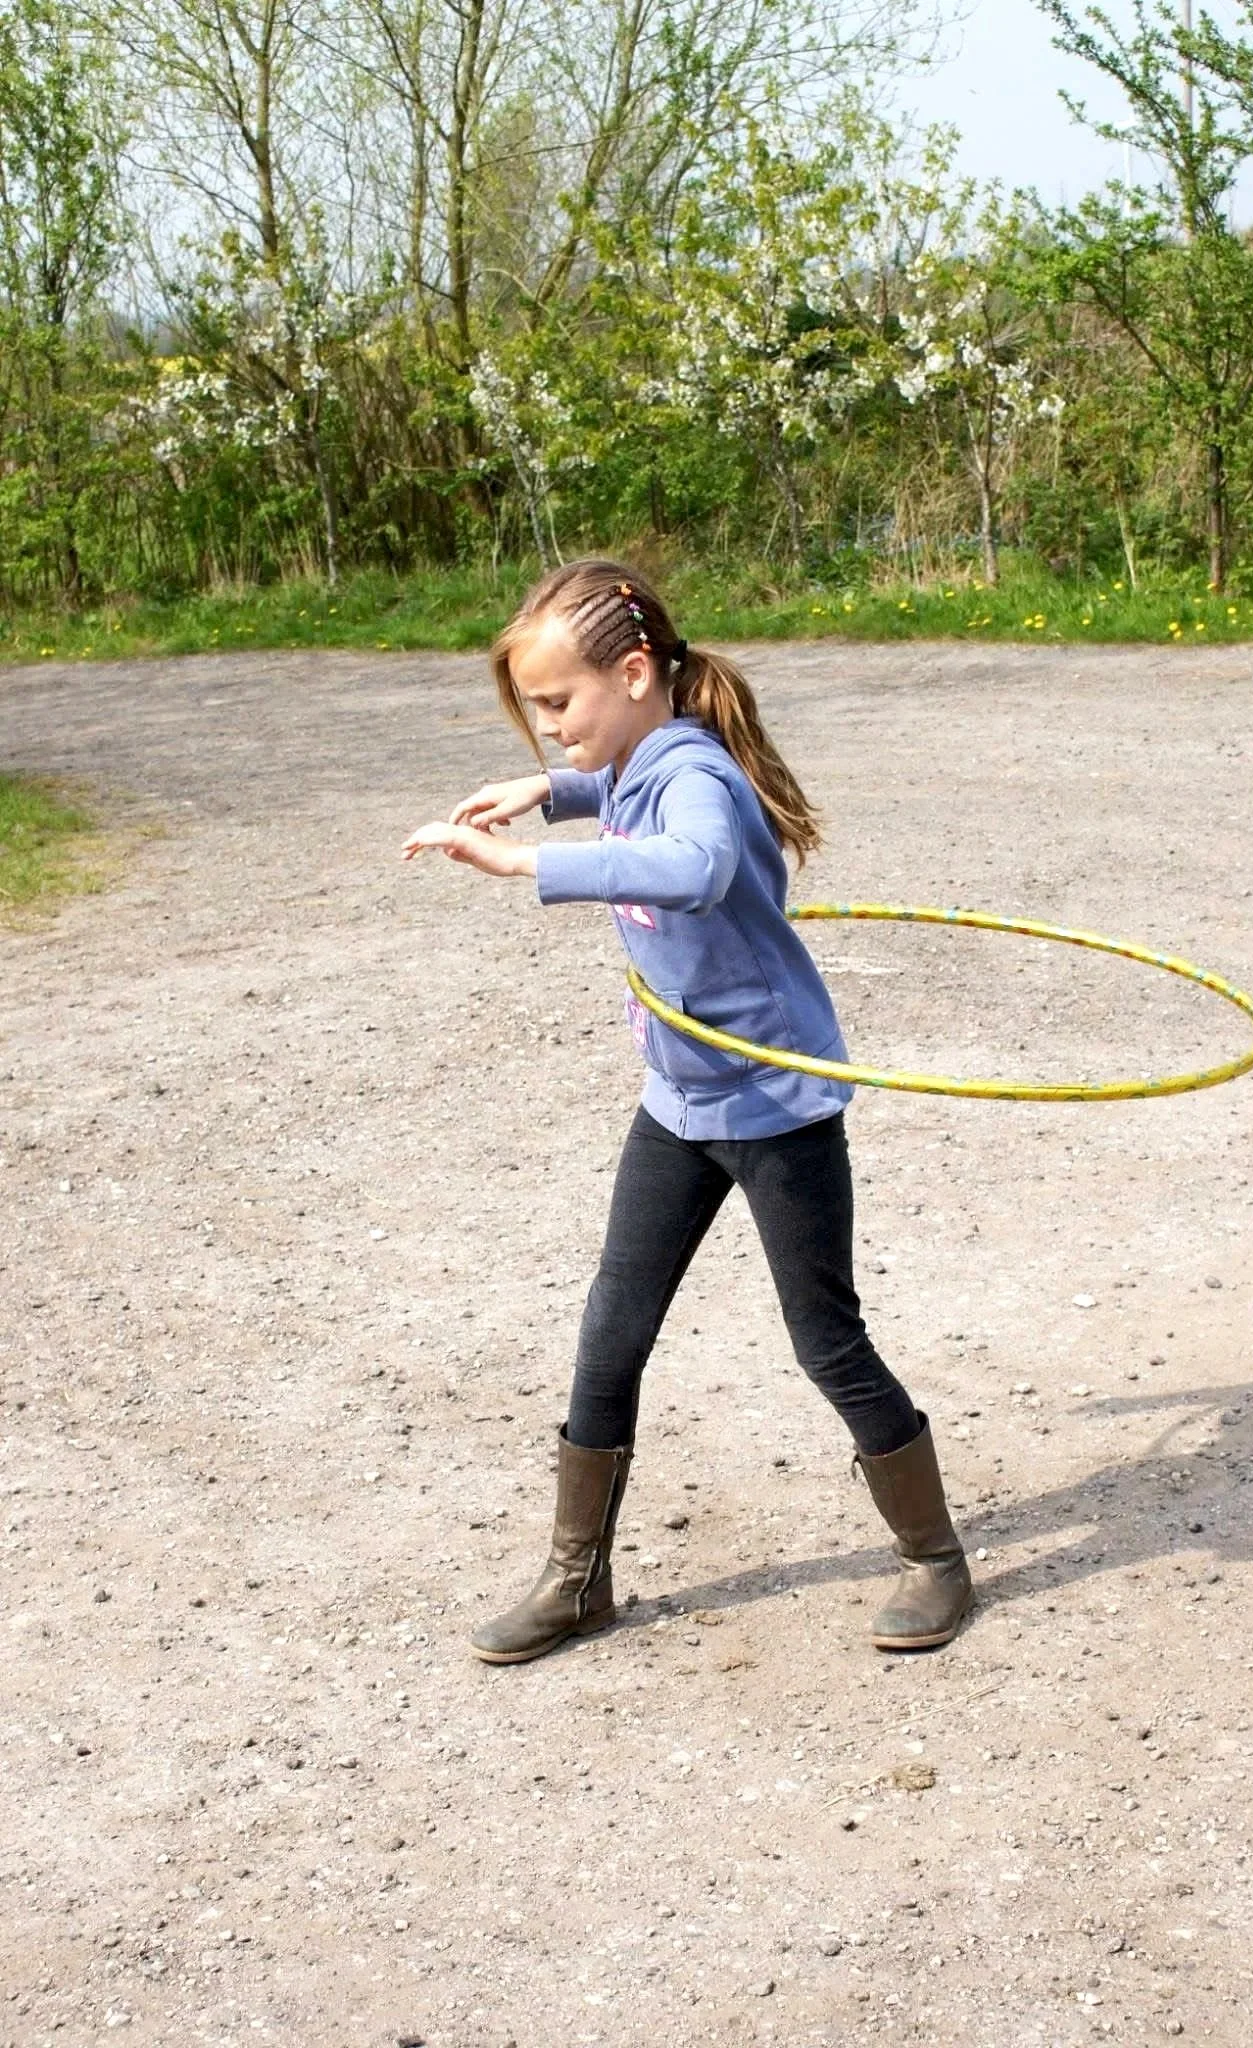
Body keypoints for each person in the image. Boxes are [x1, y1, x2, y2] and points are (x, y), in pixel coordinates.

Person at [401, 558, 972, 1664]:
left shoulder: (695, 775)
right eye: (534, 709)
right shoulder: (629, 759)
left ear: (634, 671)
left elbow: (696, 860)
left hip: (775, 1099)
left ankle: (935, 1556)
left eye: (559, 705)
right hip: (682, 1095)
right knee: (611, 1328)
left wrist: (529, 858)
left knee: (826, 1342)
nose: (547, 726)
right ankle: (579, 1579)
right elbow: (623, 788)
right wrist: (553, 788)